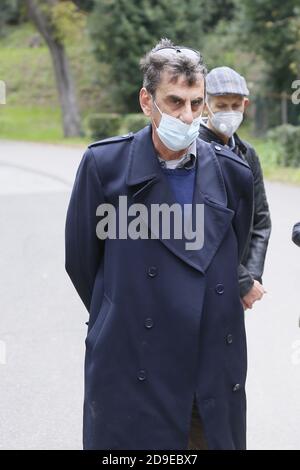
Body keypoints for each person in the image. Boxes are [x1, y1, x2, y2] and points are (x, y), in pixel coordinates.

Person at [65, 38, 253, 450]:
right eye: (174, 102)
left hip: (207, 367)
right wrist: (124, 310)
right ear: (147, 101)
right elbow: (82, 263)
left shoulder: (233, 173)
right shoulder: (104, 167)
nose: (187, 116)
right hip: (132, 360)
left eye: (196, 102)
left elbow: (228, 256)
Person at [199, 66, 271, 310]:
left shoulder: (247, 154)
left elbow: (260, 221)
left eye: (235, 106)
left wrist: (251, 278)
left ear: (245, 105)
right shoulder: (192, 151)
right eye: (221, 106)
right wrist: (241, 281)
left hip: (237, 292)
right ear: (205, 104)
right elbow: (205, 227)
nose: (229, 113)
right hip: (201, 282)